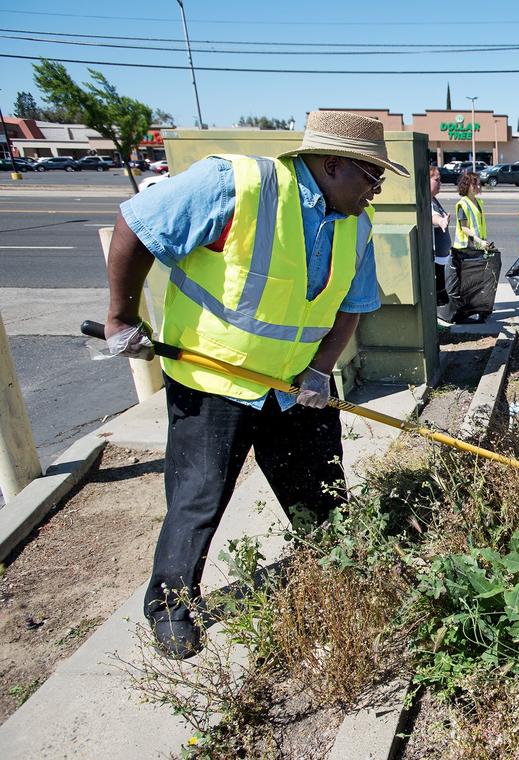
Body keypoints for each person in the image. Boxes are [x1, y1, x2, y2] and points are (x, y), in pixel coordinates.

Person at [102, 110, 407, 658]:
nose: (375, 192)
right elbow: (139, 223)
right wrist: (121, 319)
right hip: (214, 378)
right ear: (333, 164)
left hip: (294, 386)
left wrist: (320, 370)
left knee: (321, 492)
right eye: (371, 177)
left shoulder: (356, 226)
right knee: (198, 497)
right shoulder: (237, 185)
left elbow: (351, 308)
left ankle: (339, 573)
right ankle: (171, 605)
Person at [439, 171, 498, 323]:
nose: (479, 186)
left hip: (477, 248)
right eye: (476, 183)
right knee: (466, 283)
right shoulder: (462, 204)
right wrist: (479, 241)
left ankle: (476, 310)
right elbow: (464, 228)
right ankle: (463, 312)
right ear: (467, 186)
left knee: (477, 282)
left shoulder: (479, 203)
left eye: (479, 183)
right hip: (464, 250)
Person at [429, 166, 451, 307]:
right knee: (440, 296)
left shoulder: (434, 199)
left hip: (442, 258)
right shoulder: (428, 201)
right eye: (437, 180)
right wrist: (441, 221)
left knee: (442, 295)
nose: (440, 183)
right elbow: (433, 217)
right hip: (437, 259)